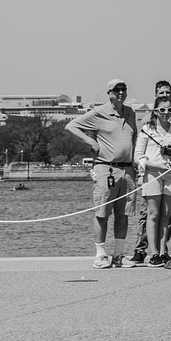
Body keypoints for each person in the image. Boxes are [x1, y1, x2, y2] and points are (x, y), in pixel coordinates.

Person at [66, 78, 139, 269]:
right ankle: (100, 255)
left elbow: (135, 136)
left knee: (123, 214)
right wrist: (91, 142)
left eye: (123, 89)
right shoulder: (99, 113)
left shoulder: (130, 113)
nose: (121, 93)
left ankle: (118, 255)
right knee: (102, 213)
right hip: (106, 168)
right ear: (109, 93)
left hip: (128, 170)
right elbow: (71, 126)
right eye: (116, 90)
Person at [132, 79, 171, 264]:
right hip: (152, 173)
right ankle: (152, 253)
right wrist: (155, 165)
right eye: (162, 110)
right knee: (152, 214)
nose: (166, 113)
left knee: (166, 217)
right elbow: (137, 156)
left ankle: (162, 251)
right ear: (156, 110)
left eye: (169, 110)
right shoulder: (147, 128)